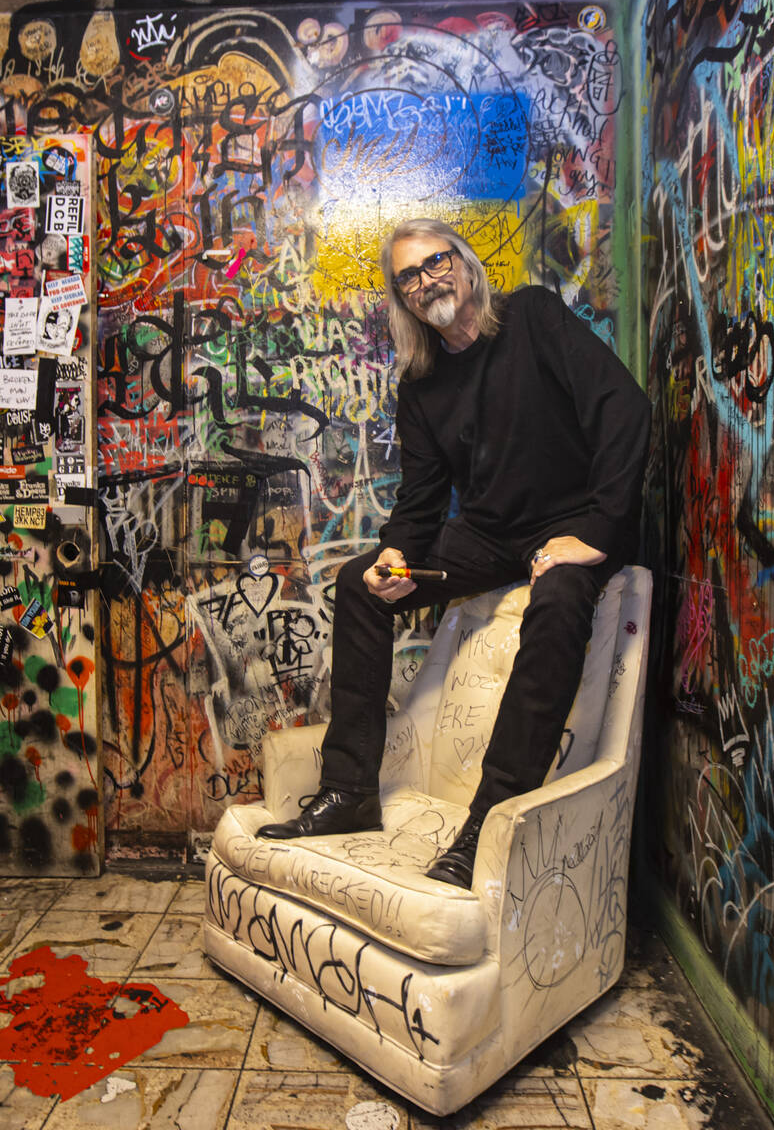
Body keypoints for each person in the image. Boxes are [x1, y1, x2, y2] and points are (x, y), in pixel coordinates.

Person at [258, 218, 651, 889]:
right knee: (358, 583)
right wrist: (392, 555)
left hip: (574, 525)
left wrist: (599, 531)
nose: (425, 280)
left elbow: (624, 407)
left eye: (435, 261)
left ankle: (488, 821)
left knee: (556, 604)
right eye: (408, 275)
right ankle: (349, 792)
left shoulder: (532, 317)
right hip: (492, 537)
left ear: (465, 264)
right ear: (402, 298)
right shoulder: (422, 382)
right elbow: (422, 496)